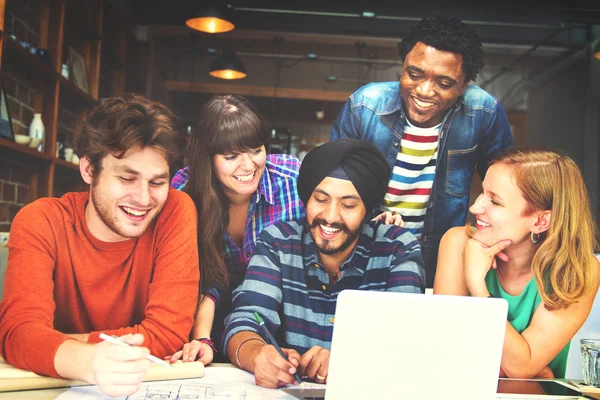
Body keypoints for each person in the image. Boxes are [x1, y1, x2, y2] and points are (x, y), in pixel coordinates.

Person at [0, 94, 200, 397]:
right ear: (89, 170)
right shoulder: (40, 220)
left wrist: (57, 343)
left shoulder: (176, 210)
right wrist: (88, 361)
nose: (144, 199)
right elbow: (18, 334)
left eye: (157, 182)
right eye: (126, 178)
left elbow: (168, 333)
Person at [223, 139, 425, 388]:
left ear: (368, 209)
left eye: (348, 205)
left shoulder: (397, 249)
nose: (330, 217)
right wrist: (257, 356)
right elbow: (244, 321)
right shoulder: (277, 242)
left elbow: (408, 344)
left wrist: (345, 363)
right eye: (320, 199)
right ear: (306, 199)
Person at [330, 16, 514, 287]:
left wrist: (491, 241)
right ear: (402, 67)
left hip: (440, 257)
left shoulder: (483, 113)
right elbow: (332, 185)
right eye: (414, 75)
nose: (424, 91)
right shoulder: (364, 106)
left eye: (444, 83)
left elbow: (508, 191)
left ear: (464, 85)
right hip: (363, 250)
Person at [434, 148, 600, 379]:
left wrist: (477, 288)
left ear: (541, 221)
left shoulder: (578, 269)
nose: (475, 208)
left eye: (495, 201)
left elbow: (520, 368)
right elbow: (442, 350)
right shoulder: (458, 242)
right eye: (482, 193)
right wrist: (526, 368)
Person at [168, 95, 304, 364]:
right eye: (231, 156)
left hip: (283, 321)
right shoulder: (184, 191)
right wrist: (202, 338)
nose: (248, 166)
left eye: (256, 150)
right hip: (208, 321)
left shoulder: (292, 180)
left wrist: (377, 221)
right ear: (207, 158)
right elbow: (200, 275)